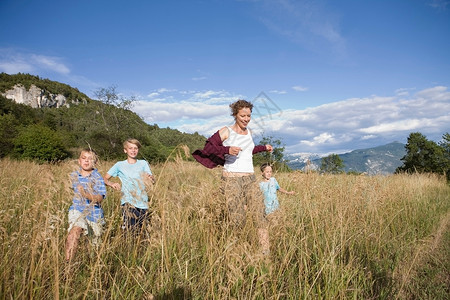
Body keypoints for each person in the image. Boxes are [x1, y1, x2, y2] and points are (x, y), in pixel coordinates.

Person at [192, 99, 273, 253]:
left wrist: (263, 148)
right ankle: (236, 254)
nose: (246, 119)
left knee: (260, 215)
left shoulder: (249, 132)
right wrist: (226, 150)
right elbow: (208, 148)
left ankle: (265, 254)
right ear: (235, 114)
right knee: (237, 220)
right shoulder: (226, 131)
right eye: (243, 115)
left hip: (250, 179)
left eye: (249, 116)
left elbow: (248, 150)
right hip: (231, 180)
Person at [104, 138, 155, 234]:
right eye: (130, 148)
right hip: (128, 202)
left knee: (142, 232)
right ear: (125, 150)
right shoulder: (119, 165)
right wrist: (112, 184)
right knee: (130, 231)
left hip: (143, 202)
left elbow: (152, 180)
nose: (133, 150)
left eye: (135, 148)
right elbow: (105, 179)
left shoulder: (143, 163)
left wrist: (151, 178)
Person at [65, 149, 107, 262]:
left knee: (93, 248)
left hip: (95, 214)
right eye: (84, 158)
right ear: (79, 161)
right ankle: (68, 266)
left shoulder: (97, 177)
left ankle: (89, 267)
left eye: (90, 159)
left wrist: (85, 194)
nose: (87, 161)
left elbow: (100, 198)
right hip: (77, 210)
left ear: (95, 163)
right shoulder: (74, 175)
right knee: (75, 231)